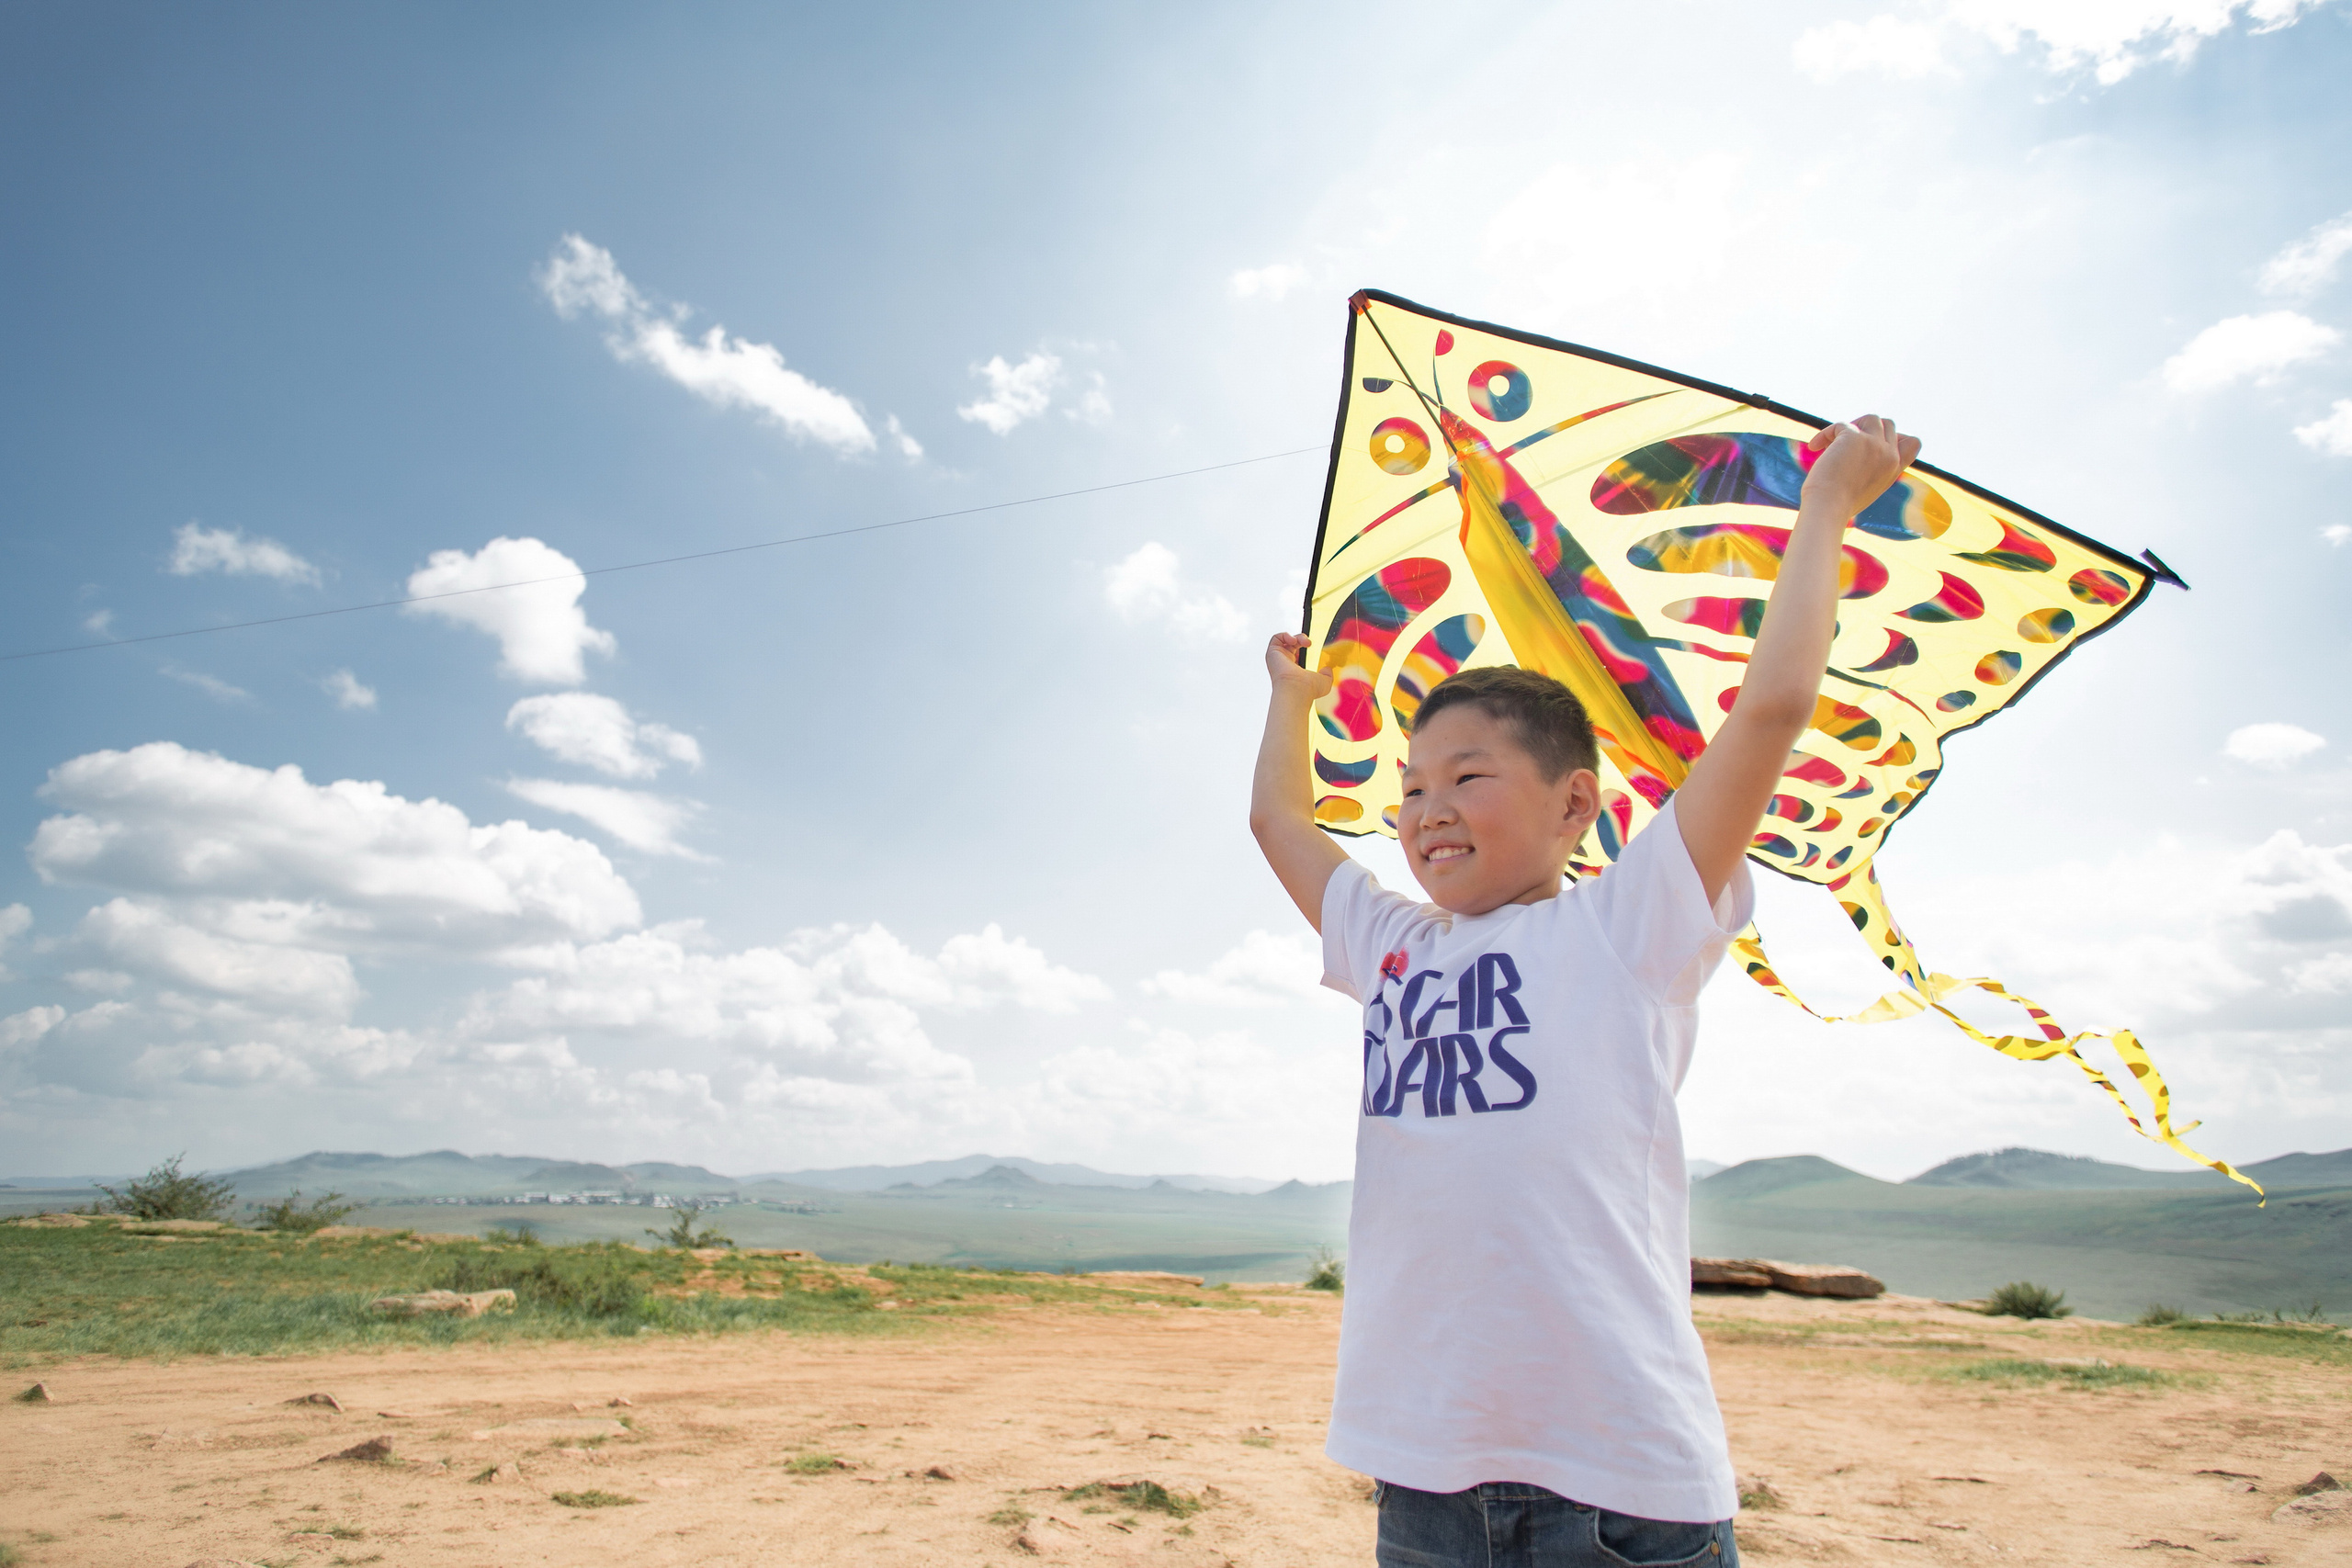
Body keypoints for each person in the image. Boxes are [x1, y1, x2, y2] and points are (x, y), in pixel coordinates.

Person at [1249, 416, 1923, 1567]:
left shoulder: (1626, 924)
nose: (1426, 810)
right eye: (1410, 788)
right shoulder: (1390, 941)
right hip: (1422, 1479)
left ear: (1573, 806)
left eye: (1468, 777)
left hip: (1616, 1487)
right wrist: (1291, 701)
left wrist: (1822, 510)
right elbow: (1278, 821)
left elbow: (1767, 714)